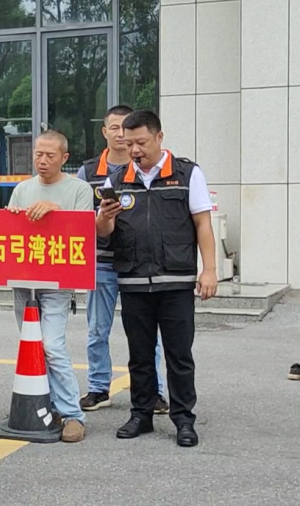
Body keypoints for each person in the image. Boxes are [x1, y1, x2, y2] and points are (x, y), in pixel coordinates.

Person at [96, 109, 217, 448]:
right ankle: (141, 414)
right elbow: (102, 232)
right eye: (129, 143)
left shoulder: (187, 174)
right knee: (139, 354)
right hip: (133, 281)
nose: (135, 149)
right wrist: (104, 218)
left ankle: (183, 419)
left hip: (176, 281)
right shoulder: (116, 181)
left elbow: (202, 225)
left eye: (141, 142)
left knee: (179, 355)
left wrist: (209, 270)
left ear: (159, 138)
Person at [77, 105, 168, 415]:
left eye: (124, 129)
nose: (119, 134)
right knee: (97, 329)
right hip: (101, 263)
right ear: (105, 132)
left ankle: (154, 391)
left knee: (146, 331)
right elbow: (76, 218)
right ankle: (98, 387)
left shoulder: (147, 170)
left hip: (137, 265)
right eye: (113, 128)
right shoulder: (88, 172)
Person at [5, 130, 94, 443]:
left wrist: (54, 210)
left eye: (50, 156)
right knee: (33, 345)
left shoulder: (79, 190)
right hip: (23, 281)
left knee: (52, 345)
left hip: (57, 282)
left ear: (65, 158)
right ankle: (46, 405)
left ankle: (72, 414)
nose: (42, 161)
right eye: (38, 154)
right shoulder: (22, 189)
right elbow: (7, 230)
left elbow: (84, 231)